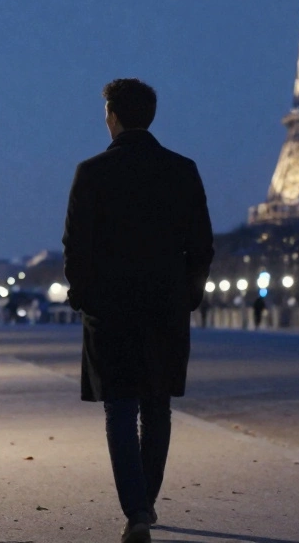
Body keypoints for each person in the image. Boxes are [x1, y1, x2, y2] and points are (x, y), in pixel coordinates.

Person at [63, 79, 214, 543]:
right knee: (158, 404)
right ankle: (146, 500)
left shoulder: (91, 172)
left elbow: (76, 247)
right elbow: (202, 245)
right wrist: (186, 294)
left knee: (120, 407)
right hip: (164, 307)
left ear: (112, 115)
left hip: (110, 310)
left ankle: (135, 509)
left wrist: (85, 297)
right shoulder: (182, 170)